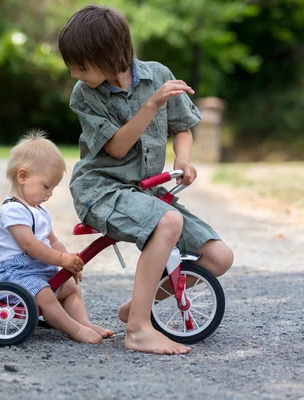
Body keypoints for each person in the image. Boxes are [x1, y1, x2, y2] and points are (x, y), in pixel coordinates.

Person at [58, 6, 234, 354]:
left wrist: (183, 158)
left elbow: (182, 126)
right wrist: (150, 106)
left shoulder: (158, 75)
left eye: (80, 65)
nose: (74, 73)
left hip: (143, 192)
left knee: (218, 257)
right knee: (168, 221)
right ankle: (138, 329)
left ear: (110, 56)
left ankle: (137, 307)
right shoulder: (85, 93)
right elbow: (119, 148)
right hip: (101, 189)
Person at [0, 129, 114, 344]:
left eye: (53, 188)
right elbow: (29, 245)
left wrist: (69, 261)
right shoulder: (13, 210)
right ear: (23, 176)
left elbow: (52, 241)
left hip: (40, 270)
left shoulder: (40, 210)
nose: (50, 193)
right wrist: (60, 260)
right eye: (46, 186)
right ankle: (75, 330)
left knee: (72, 288)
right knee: (45, 295)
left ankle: (84, 322)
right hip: (15, 275)